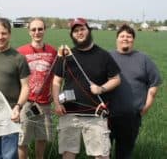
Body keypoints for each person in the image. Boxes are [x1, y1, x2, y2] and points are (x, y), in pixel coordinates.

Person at [52, 17, 121, 159]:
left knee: (101, 155)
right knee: (68, 153)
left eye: (82, 29)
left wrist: (101, 89)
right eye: (75, 31)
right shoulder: (66, 56)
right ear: (72, 35)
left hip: (95, 114)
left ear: (89, 31)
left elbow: (116, 79)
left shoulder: (103, 55)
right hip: (69, 114)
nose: (79, 33)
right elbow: (56, 82)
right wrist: (57, 104)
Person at [109, 24, 161, 159]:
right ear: (117, 39)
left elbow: (154, 83)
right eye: (122, 36)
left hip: (131, 117)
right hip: (106, 115)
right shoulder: (107, 57)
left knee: (125, 153)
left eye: (129, 36)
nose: (125, 38)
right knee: (102, 153)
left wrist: (147, 106)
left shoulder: (143, 59)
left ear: (133, 39)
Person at [0, 17, 30, 159]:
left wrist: (18, 107)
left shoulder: (18, 58)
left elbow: (26, 87)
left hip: (10, 113)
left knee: (9, 155)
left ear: (9, 34)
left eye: (3, 33)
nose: (0, 37)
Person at [17, 18, 57, 159]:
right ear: (29, 32)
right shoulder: (20, 51)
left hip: (45, 103)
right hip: (27, 103)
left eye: (40, 29)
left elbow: (55, 77)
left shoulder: (53, 51)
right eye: (34, 29)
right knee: (23, 140)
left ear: (44, 30)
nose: (37, 32)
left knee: (42, 138)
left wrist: (54, 95)